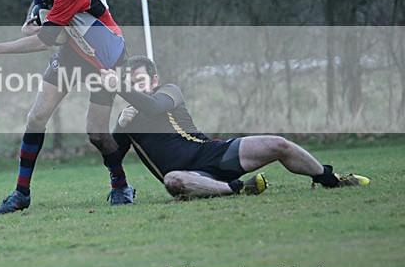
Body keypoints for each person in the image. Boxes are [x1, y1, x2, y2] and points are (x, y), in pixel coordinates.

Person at [0, 0, 135, 214]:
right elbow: (41, 11)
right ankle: (21, 194)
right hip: (72, 53)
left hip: (106, 57)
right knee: (36, 118)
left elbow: (45, 41)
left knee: (97, 133)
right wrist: (32, 18)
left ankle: (121, 185)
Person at [101, 55, 370, 199]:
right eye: (130, 82)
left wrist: (122, 89)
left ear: (154, 79)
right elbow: (111, 157)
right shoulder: (129, 119)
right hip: (191, 177)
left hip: (212, 153)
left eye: (139, 81)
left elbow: (153, 107)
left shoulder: (169, 92)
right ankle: (239, 188)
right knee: (173, 180)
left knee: (278, 144)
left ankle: (329, 179)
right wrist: (118, 127)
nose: (135, 86)